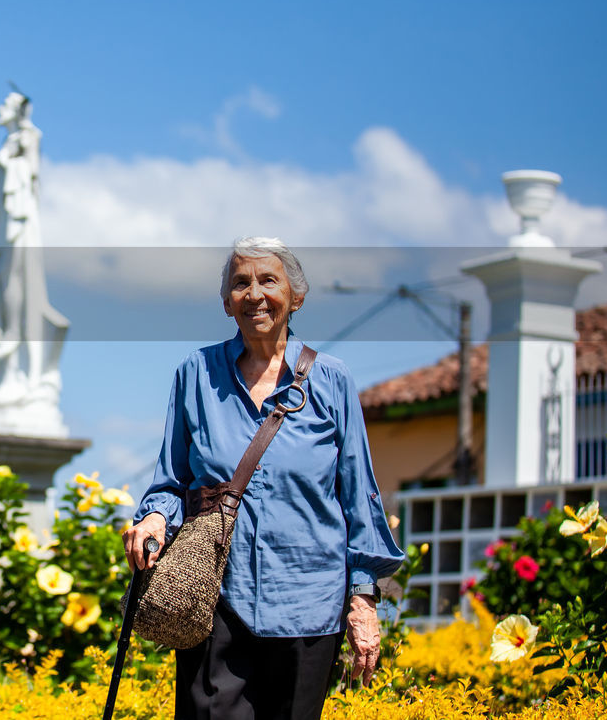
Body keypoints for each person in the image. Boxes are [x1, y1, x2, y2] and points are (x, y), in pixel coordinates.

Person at [122, 237, 404, 720]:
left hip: (308, 604)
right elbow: (171, 481)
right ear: (226, 303)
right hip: (215, 599)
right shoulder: (196, 374)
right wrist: (152, 519)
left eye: (268, 280)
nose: (254, 293)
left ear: (296, 296)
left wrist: (361, 601)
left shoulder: (331, 380)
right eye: (240, 283)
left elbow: (359, 498)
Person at [0, 90, 68, 410]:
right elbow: (1, 188)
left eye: (6, 104)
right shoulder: (9, 144)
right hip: (3, 221)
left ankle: (12, 337)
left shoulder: (28, 138)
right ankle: (2, 334)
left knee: (15, 284)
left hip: (20, 223)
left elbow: (27, 178)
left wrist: (12, 156)